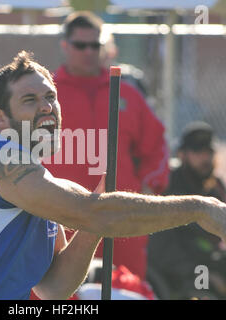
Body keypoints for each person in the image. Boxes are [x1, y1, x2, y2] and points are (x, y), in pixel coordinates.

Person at [0, 51, 226, 300]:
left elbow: (54, 286)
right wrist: (198, 207)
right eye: (30, 100)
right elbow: (94, 212)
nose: (47, 106)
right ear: (0, 117)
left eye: (50, 96)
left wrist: (92, 223)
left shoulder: (37, 182)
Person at [43, 11, 169, 281]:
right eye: (80, 45)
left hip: (120, 219)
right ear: (65, 46)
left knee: (127, 288)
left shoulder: (127, 94)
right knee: (58, 292)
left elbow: (157, 146)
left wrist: (149, 186)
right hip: (62, 218)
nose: (89, 52)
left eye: (95, 45)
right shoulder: (46, 95)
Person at [147, 121, 226, 299]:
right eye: (198, 152)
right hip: (181, 274)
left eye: (210, 152)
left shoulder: (215, 186)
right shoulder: (169, 186)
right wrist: (208, 275)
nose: (206, 158)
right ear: (182, 154)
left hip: (215, 266)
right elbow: (162, 248)